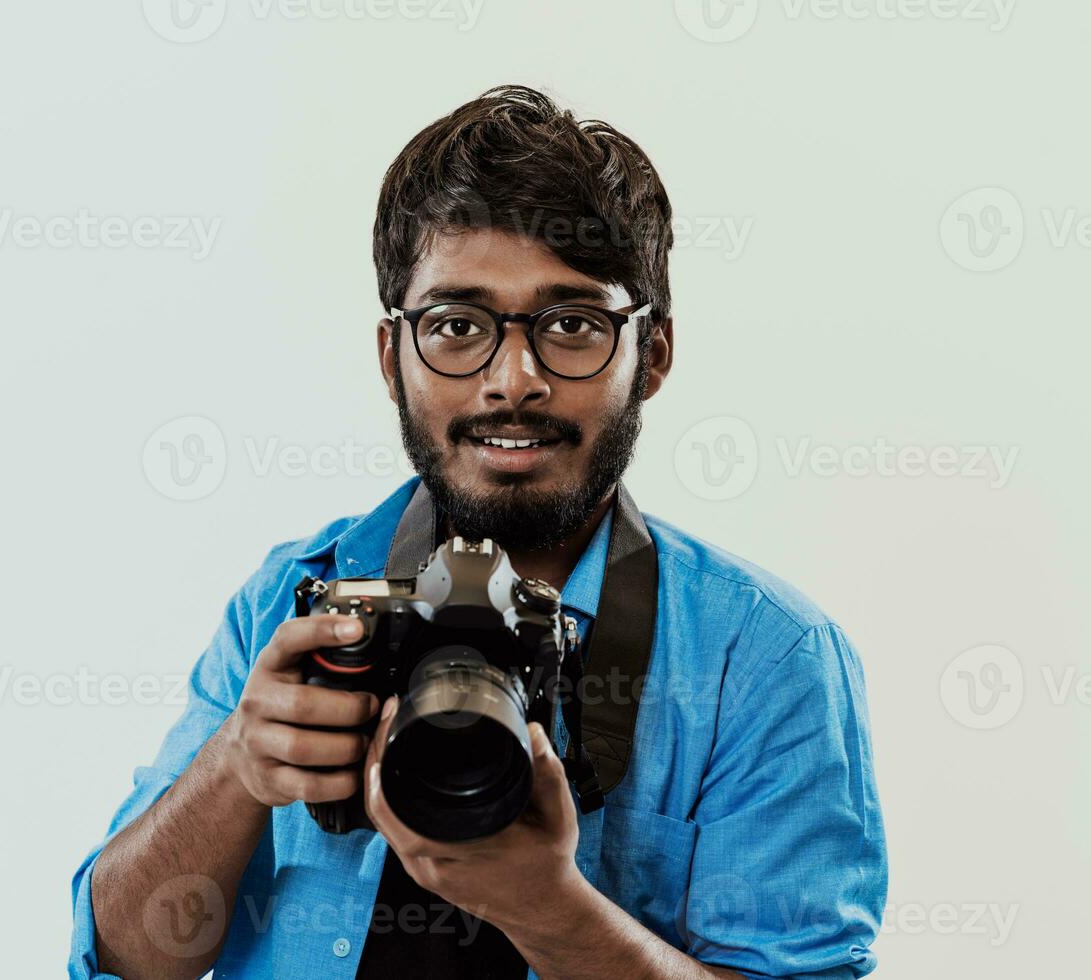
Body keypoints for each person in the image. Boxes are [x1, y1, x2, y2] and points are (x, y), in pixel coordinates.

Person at [70, 84, 887, 980]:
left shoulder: (761, 658)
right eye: (457, 325)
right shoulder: (293, 599)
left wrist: (549, 909)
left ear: (650, 356)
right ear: (393, 359)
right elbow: (121, 957)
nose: (512, 380)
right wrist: (235, 766)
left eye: (571, 325)